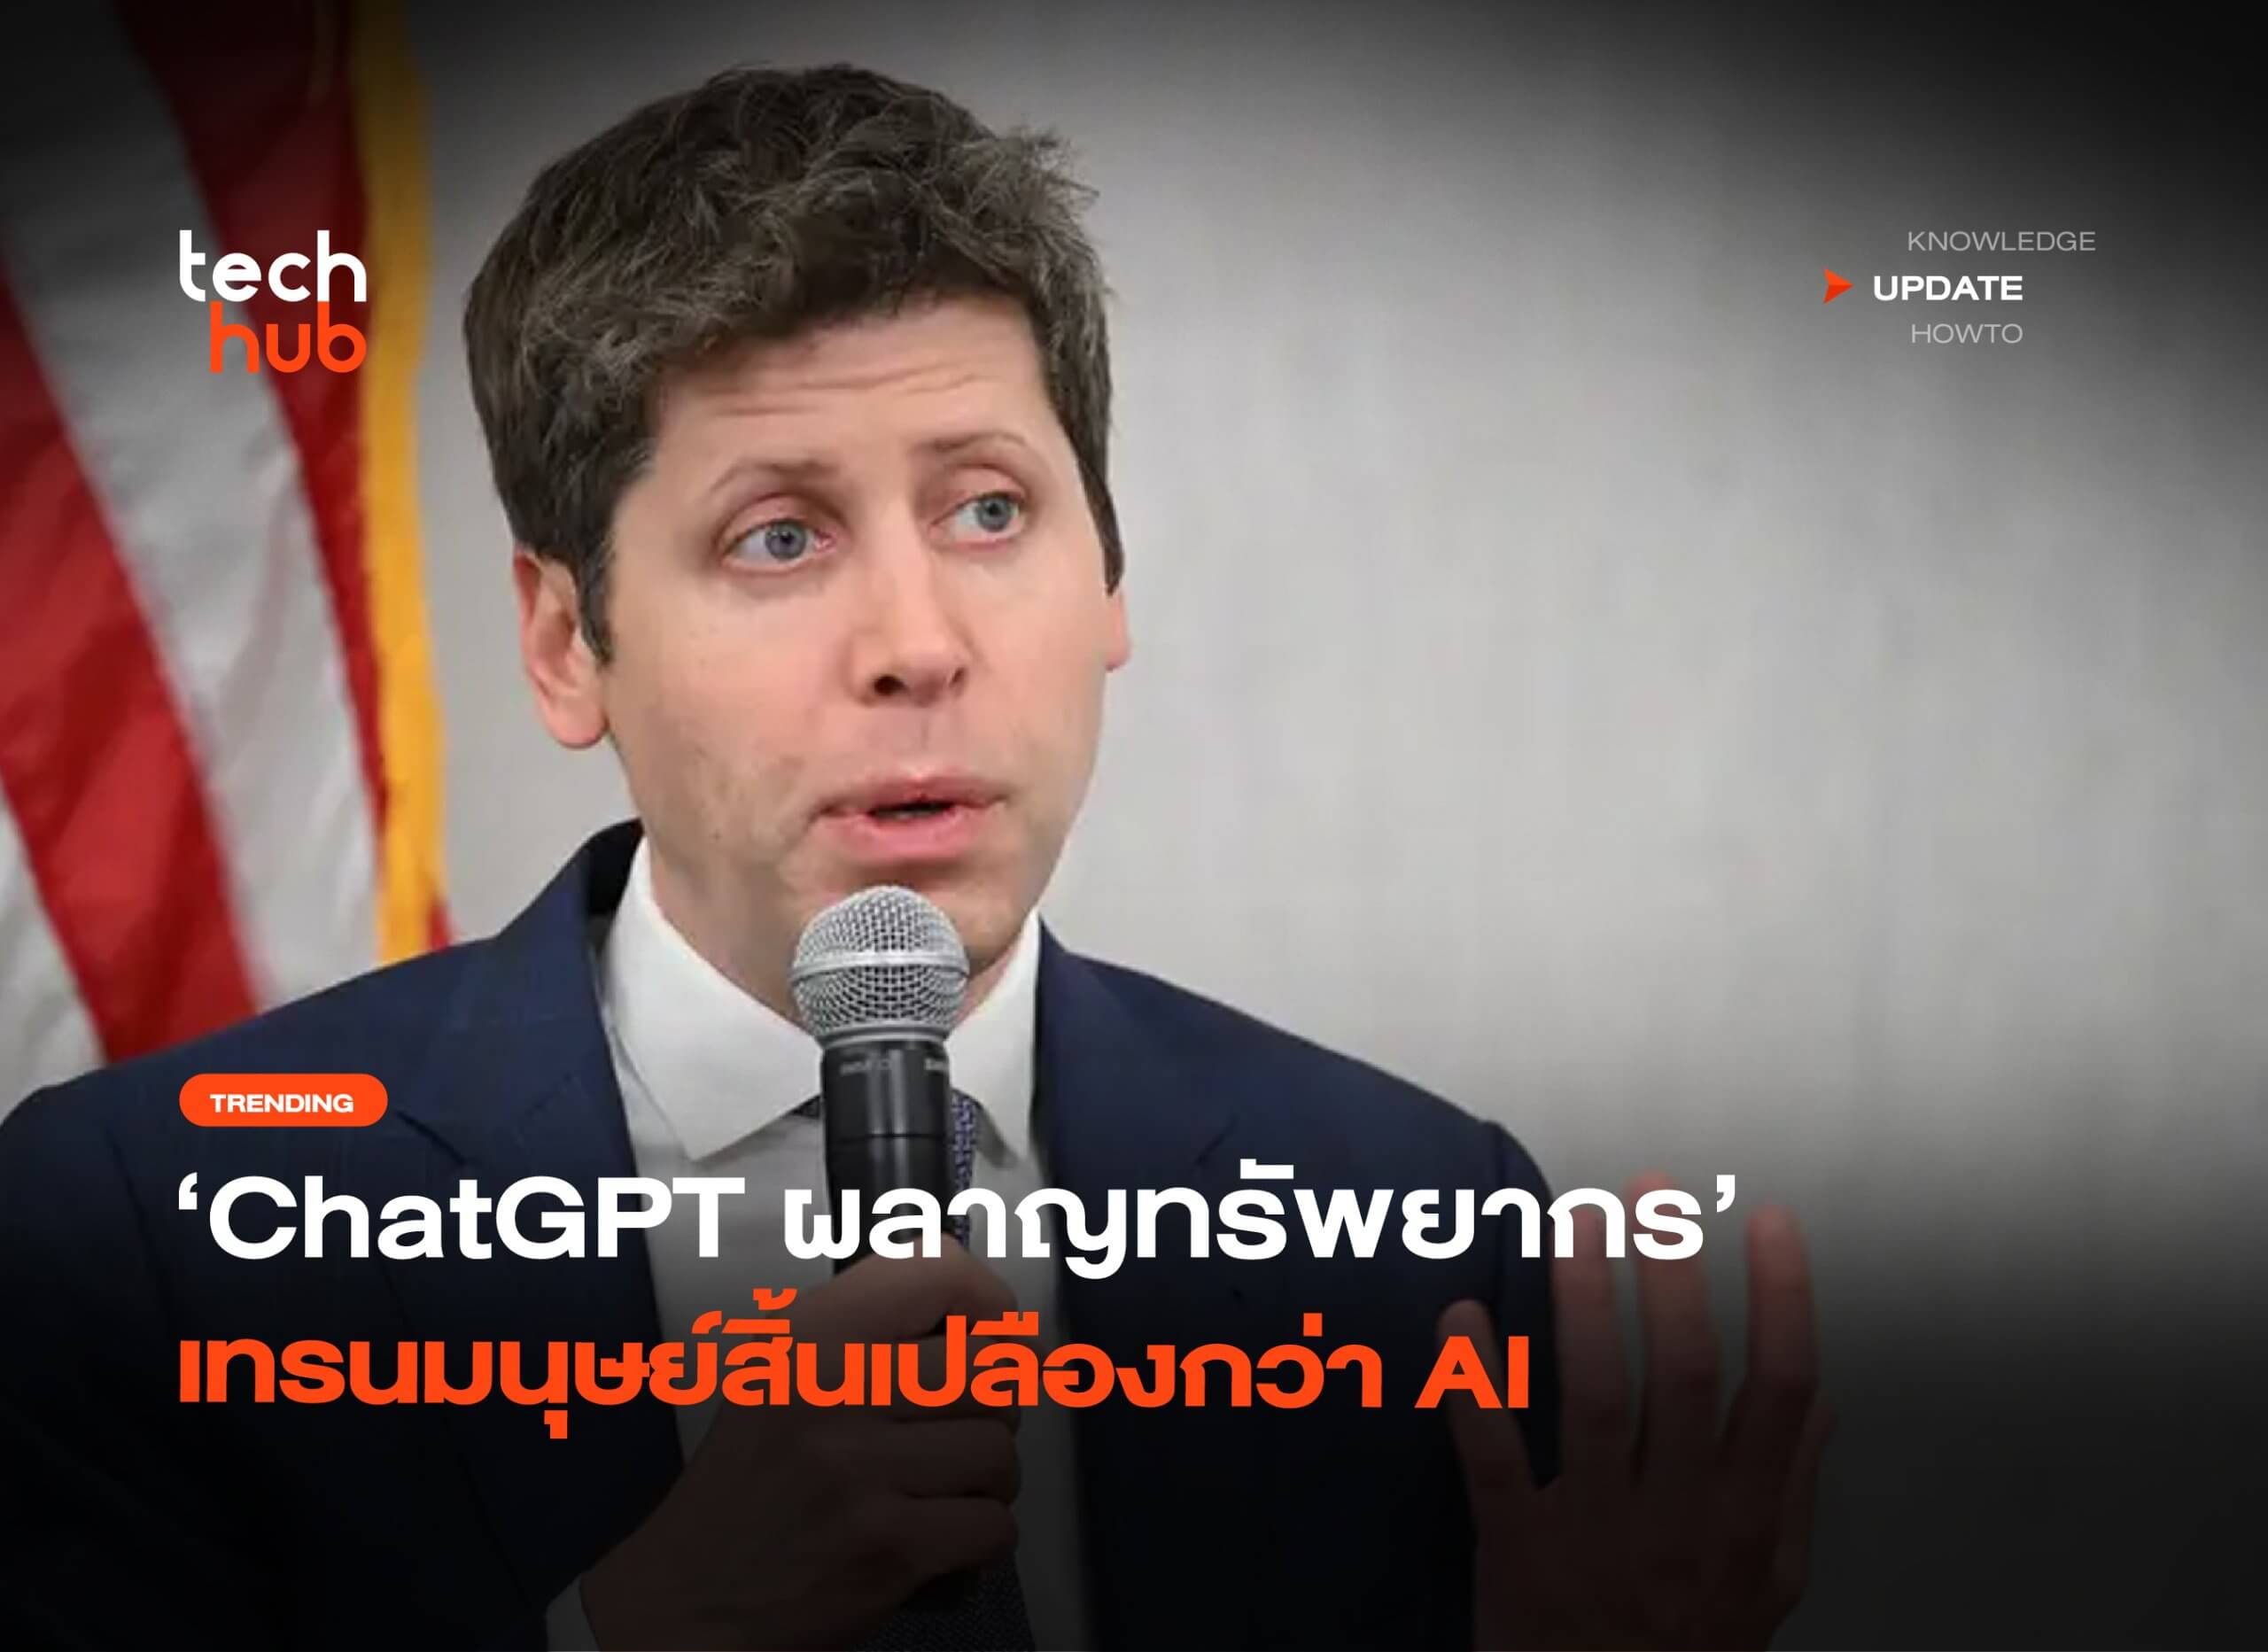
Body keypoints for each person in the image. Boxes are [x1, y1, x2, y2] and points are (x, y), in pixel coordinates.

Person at [0, 64, 1826, 1650]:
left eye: (988, 508)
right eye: (780, 536)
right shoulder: (130, 1242)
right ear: (566, 644)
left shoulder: (1429, 1222)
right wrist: (636, 1635)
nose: (917, 642)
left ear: (1108, 581)